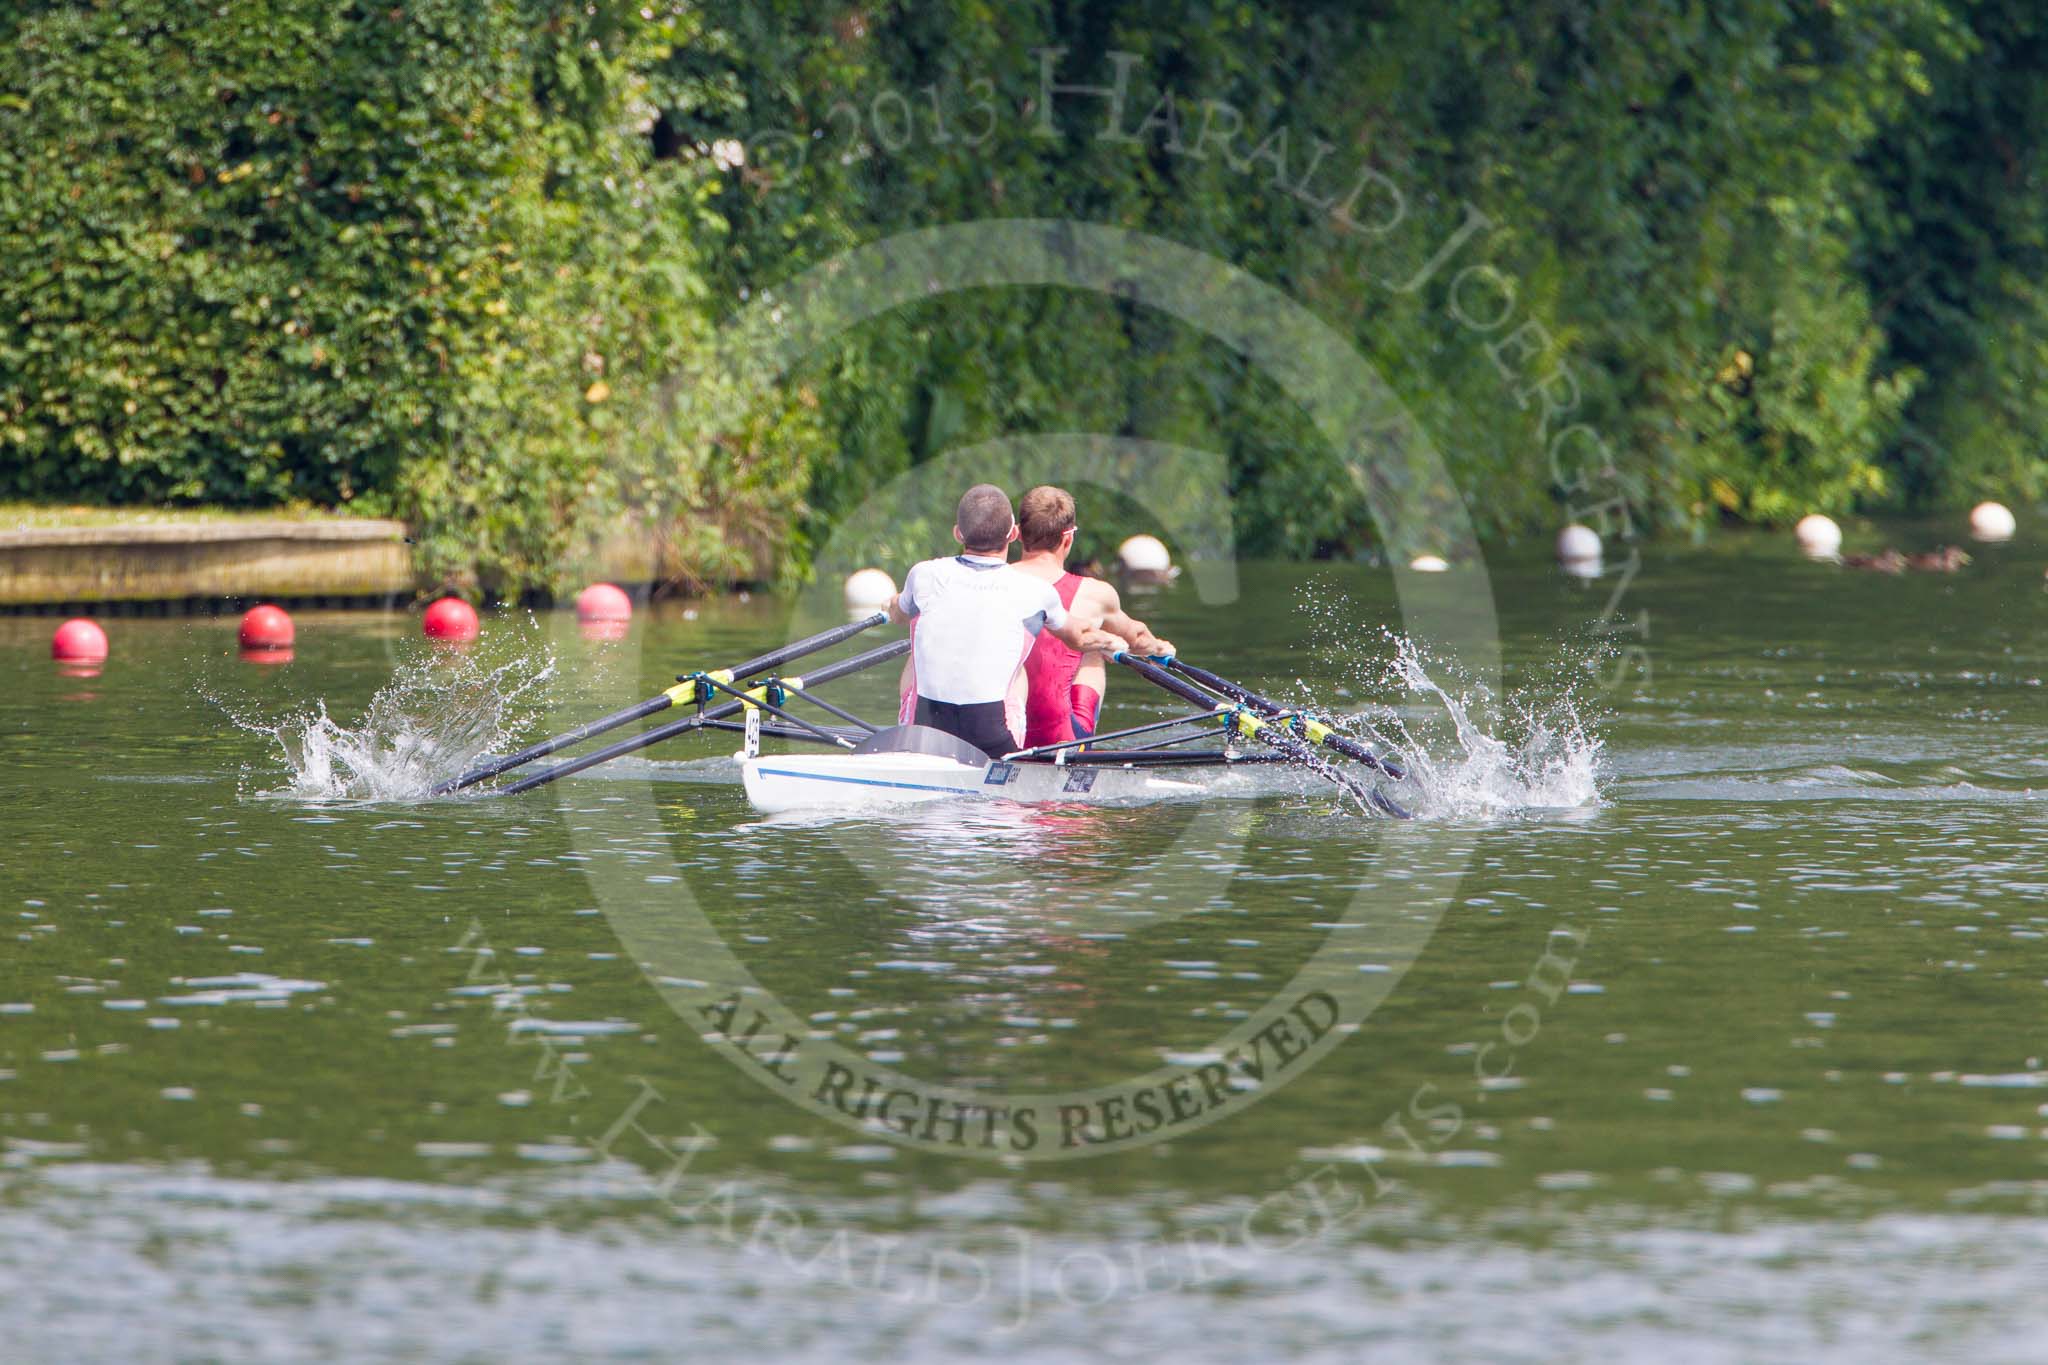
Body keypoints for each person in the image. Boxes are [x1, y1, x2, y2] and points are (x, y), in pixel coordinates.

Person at [886, 484, 1120, 759]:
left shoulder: (922, 574)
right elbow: (1079, 637)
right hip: (993, 741)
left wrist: (892, 603)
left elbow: (899, 614)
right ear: (1013, 534)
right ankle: (1011, 758)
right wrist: (1111, 642)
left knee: (916, 647)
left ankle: (907, 733)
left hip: (924, 733)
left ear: (958, 533)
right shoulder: (1035, 590)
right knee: (1018, 667)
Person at [1011, 485, 1174, 749]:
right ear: (1068, 538)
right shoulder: (1095, 594)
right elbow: (1137, 639)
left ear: (1018, 533)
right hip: (1057, 741)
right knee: (1093, 647)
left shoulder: (991, 582)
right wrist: (1159, 648)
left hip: (1000, 735)